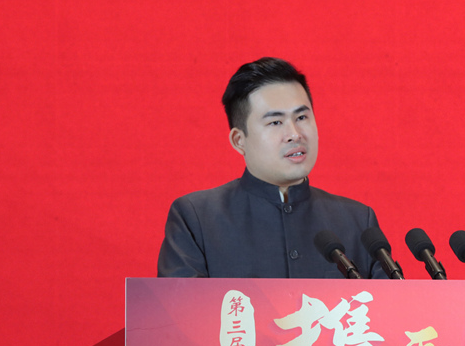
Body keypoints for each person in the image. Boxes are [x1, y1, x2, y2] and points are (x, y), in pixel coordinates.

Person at [157, 57, 386, 279]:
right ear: (239, 140)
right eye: (275, 122)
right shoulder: (196, 219)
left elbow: (391, 303)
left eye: (302, 117)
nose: (295, 134)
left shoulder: (358, 223)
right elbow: (179, 306)